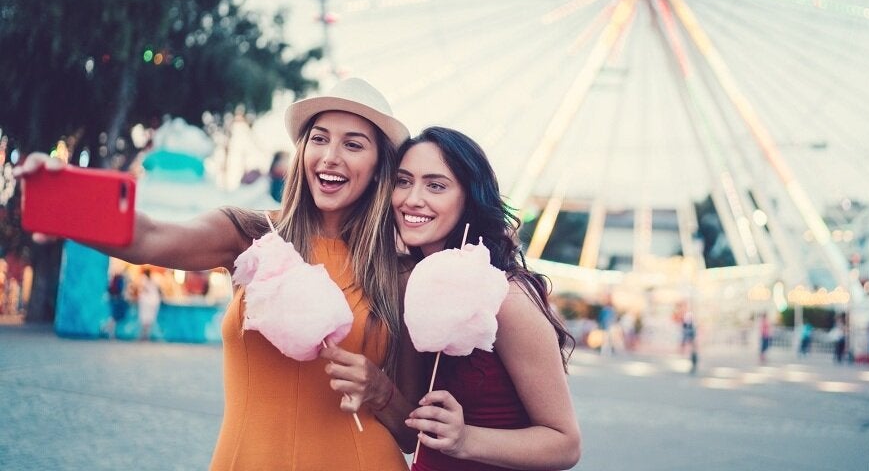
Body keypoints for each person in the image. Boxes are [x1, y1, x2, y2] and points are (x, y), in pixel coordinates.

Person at [15, 77, 427, 470]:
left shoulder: (402, 275)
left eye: (353, 145)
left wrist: (380, 390)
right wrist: (62, 196)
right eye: (319, 139)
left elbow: (412, 436)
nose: (330, 156)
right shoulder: (250, 236)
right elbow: (151, 235)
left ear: (379, 168)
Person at [393, 127, 581, 470]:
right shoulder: (410, 283)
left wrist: (465, 439)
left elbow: (565, 444)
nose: (411, 198)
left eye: (435, 185)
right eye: (403, 181)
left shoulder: (506, 298)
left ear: (470, 198)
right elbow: (410, 428)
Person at [136, 268, 162, 340]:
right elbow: (159, 290)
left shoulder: (143, 279)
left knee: (144, 318)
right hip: (154, 301)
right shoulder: (156, 278)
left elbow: (142, 289)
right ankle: (146, 336)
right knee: (150, 319)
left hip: (146, 302)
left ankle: (144, 336)